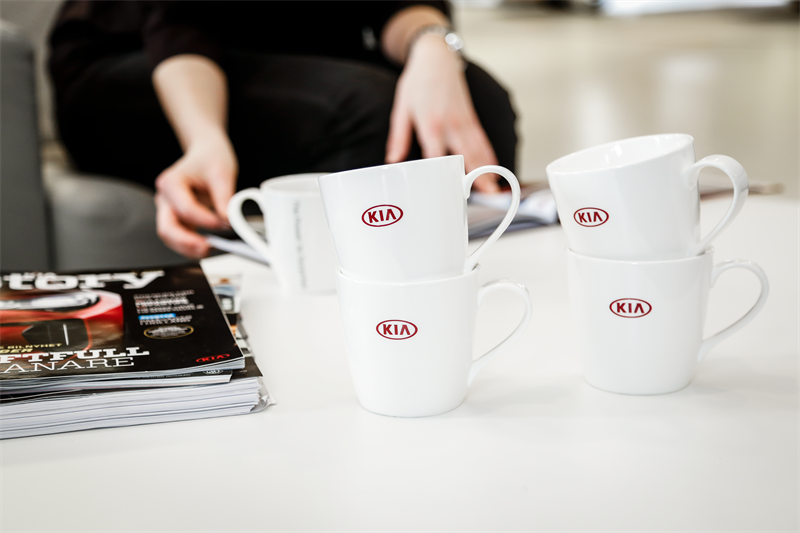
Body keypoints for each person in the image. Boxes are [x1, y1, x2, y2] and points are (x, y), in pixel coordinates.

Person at [49, 0, 518, 258]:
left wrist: (431, 47)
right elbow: (179, 25)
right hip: (135, 64)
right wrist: (204, 138)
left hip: (292, 50)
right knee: (363, 108)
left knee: (481, 103)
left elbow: (396, 5)